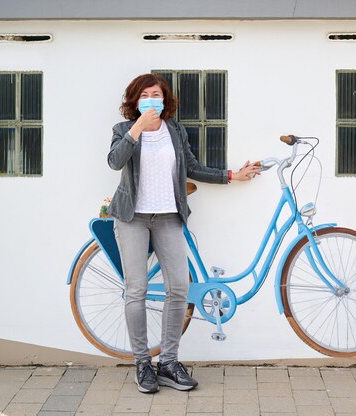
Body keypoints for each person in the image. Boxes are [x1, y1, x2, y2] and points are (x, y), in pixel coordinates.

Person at [107, 73, 260, 394]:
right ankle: (142, 364)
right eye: (146, 94)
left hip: (168, 217)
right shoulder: (123, 130)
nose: (152, 98)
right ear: (136, 100)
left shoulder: (174, 130)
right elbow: (114, 161)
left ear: (165, 100)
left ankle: (169, 363)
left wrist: (231, 174)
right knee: (136, 290)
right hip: (132, 217)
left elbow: (191, 166)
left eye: (157, 94)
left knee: (179, 288)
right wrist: (136, 129)